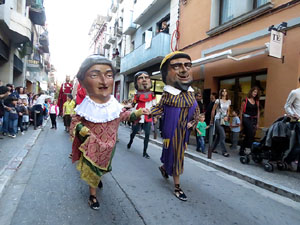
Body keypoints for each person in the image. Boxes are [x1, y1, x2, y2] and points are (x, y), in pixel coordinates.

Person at [70, 55, 149, 210]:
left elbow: (124, 116)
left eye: (108, 75)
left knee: (102, 168)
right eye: (95, 75)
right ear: (84, 81)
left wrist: (139, 113)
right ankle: (92, 196)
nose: (104, 81)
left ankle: (97, 177)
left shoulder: (114, 105)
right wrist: (82, 129)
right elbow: (75, 121)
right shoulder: (85, 105)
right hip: (92, 144)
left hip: (109, 146)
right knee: (92, 169)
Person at [151, 51, 200, 201]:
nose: (184, 70)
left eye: (187, 65)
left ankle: (165, 167)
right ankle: (177, 187)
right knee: (176, 156)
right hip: (170, 132)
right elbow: (159, 108)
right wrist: (147, 112)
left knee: (175, 154)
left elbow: (197, 111)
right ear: (166, 73)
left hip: (184, 133)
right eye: (177, 66)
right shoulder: (168, 95)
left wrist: (193, 122)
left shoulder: (192, 95)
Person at [127, 71, 156, 159]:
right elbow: (133, 105)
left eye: (146, 77)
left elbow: (154, 106)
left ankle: (145, 152)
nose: (144, 80)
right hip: (138, 116)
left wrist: (154, 116)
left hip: (148, 116)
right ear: (136, 82)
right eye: (141, 78)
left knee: (147, 134)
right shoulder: (136, 95)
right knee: (134, 132)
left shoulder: (152, 94)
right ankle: (130, 141)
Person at [284, 77, 300, 169]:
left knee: (298, 145)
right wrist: (293, 114)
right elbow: (287, 106)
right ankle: (288, 160)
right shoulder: (295, 92)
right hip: (298, 122)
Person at [239, 87, 260, 156]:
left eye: (256, 92)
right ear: (251, 92)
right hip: (246, 118)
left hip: (253, 119)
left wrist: (257, 123)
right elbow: (241, 111)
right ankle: (250, 148)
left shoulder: (256, 101)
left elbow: (258, 112)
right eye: (254, 92)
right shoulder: (245, 100)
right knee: (250, 132)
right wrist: (241, 122)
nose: (255, 93)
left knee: (250, 135)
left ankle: (242, 150)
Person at [210, 88, 231, 157]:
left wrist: (227, 117)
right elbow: (213, 110)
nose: (224, 92)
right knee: (223, 135)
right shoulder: (218, 101)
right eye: (223, 91)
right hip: (218, 119)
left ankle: (212, 149)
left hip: (224, 120)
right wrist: (212, 119)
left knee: (219, 136)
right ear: (221, 93)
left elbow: (228, 111)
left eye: (225, 91)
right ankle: (224, 151)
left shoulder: (228, 101)